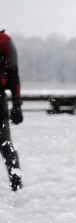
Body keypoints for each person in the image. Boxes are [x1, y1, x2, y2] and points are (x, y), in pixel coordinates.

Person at [0, 30, 23, 192]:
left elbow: (13, 74)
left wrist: (16, 104)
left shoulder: (4, 41)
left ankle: (17, 188)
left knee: (5, 145)